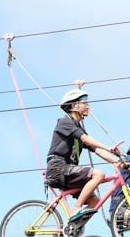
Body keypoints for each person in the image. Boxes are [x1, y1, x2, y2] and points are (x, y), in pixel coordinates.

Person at [45, 80, 120, 225]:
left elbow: (96, 150)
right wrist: (109, 147)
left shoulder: (78, 127)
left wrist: (116, 161)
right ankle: (76, 209)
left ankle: (73, 229)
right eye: (85, 103)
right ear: (74, 106)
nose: (88, 106)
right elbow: (86, 139)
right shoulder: (65, 122)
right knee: (99, 174)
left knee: (95, 201)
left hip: (67, 171)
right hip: (58, 168)